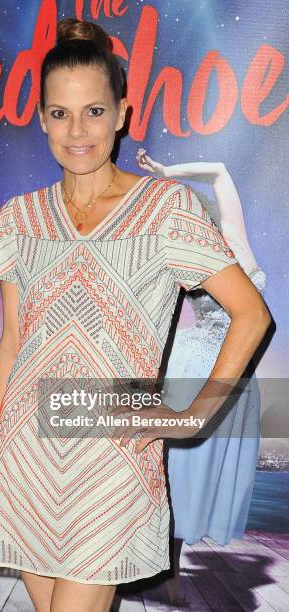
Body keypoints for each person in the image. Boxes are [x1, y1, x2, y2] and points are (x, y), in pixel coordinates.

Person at [0, 18, 270, 612]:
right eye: (59, 113)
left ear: (123, 113)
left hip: (115, 455)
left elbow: (252, 315)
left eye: (94, 112)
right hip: (26, 457)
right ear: (41, 118)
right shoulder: (18, 218)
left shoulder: (167, 209)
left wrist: (193, 417)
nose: (77, 130)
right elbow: (10, 348)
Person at [136, 150, 267, 604]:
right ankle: (161, 572)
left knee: (196, 478)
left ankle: (162, 569)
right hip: (195, 372)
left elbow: (221, 171)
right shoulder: (179, 253)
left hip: (236, 377)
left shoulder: (232, 235)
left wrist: (166, 171)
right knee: (176, 472)